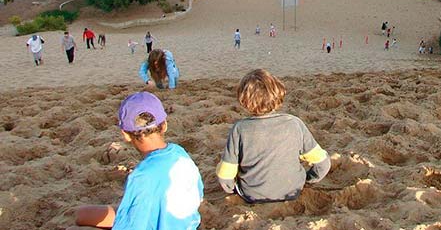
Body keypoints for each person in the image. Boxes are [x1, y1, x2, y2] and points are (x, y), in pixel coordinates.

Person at [68, 92, 203, 230]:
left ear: (125, 135)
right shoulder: (179, 153)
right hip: (187, 223)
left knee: (78, 220)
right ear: (164, 125)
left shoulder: (141, 176)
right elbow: (199, 194)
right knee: (84, 213)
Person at [216, 69, 330, 203]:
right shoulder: (294, 123)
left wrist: (232, 189)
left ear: (243, 100)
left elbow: (225, 175)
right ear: (278, 94)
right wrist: (308, 179)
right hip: (292, 190)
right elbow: (323, 163)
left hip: (252, 194)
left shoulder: (240, 129)